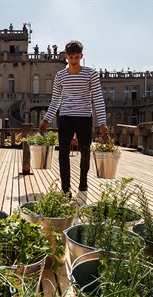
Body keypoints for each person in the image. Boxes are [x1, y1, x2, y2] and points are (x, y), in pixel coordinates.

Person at [39, 40, 109, 194]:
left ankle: (83, 182)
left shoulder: (91, 74)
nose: (74, 61)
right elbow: (56, 100)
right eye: (71, 58)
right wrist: (46, 119)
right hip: (65, 117)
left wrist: (103, 123)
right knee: (63, 151)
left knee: (85, 150)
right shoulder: (60, 76)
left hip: (84, 117)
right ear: (66, 57)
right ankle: (65, 187)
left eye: (77, 57)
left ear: (81, 56)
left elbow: (97, 99)